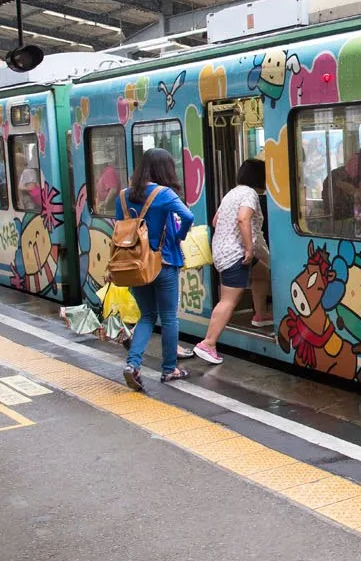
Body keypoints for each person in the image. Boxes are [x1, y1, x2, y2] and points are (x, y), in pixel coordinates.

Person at [116, 147, 195, 390]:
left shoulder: (123, 195)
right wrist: (179, 236)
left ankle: (133, 364)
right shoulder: (164, 193)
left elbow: (120, 228)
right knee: (169, 317)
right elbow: (188, 217)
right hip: (164, 261)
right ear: (165, 170)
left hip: (134, 264)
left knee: (147, 316)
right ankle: (169, 369)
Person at [193, 159, 271, 365]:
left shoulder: (233, 192)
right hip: (235, 255)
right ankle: (208, 343)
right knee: (229, 299)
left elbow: (216, 221)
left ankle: (260, 316)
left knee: (262, 273)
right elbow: (243, 219)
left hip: (223, 251)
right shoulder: (249, 194)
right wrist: (248, 247)